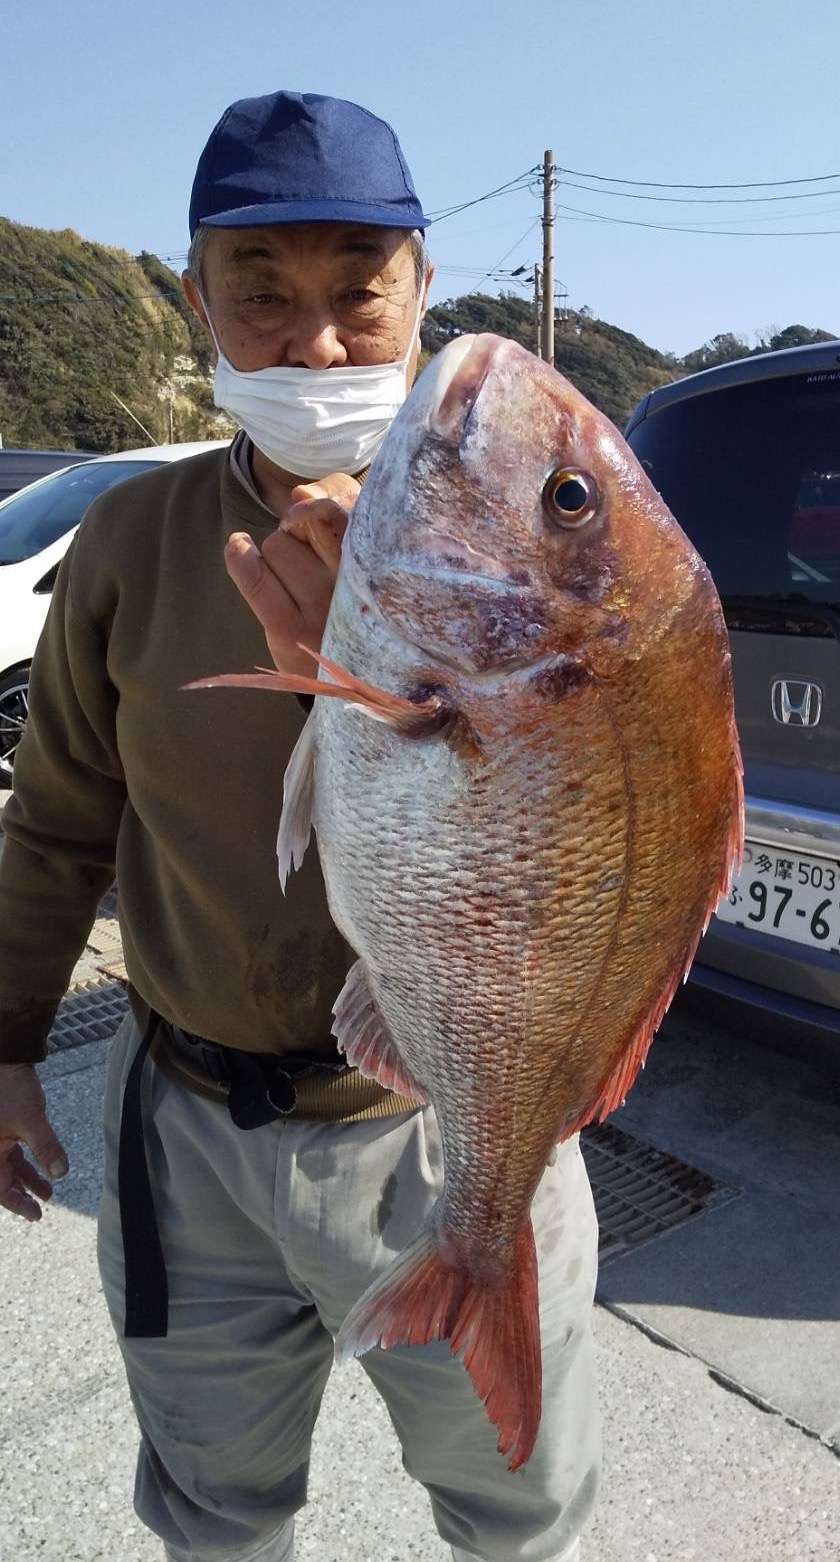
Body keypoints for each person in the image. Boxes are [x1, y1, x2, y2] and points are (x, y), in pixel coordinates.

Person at [0, 92, 601, 1562]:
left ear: (417, 291)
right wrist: (9, 1036)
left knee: (518, 1508)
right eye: (260, 296)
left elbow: (601, 813)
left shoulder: (516, 534)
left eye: (355, 292)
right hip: (183, 1120)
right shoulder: (135, 537)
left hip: (442, 1121)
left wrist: (408, 669)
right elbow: (61, 809)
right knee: (213, 1507)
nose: (315, 342)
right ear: (195, 297)